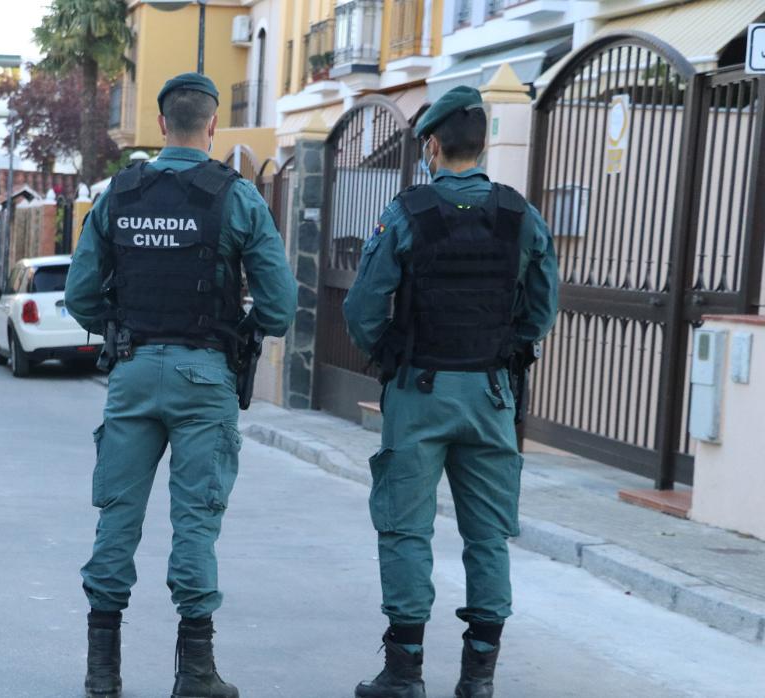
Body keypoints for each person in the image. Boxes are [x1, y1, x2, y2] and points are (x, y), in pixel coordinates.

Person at [65, 72, 296, 698]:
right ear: (213, 126)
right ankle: (195, 674)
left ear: (162, 124)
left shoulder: (120, 192)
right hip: (205, 375)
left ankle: (102, 673)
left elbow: (80, 294)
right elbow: (280, 304)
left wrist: (118, 327)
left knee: (118, 519)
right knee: (195, 522)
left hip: (134, 373)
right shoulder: (237, 196)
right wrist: (239, 332)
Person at [343, 85, 559, 698]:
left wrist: (386, 350)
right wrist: (508, 348)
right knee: (487, 535)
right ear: (483, 144)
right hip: (491, 394)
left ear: (433, 144)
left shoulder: (408, 212)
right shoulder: (521, 215)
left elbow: (362, 305)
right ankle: (479, 678)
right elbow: (543, 306)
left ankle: (404, 673)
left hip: (420, 391)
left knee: (406, 530)